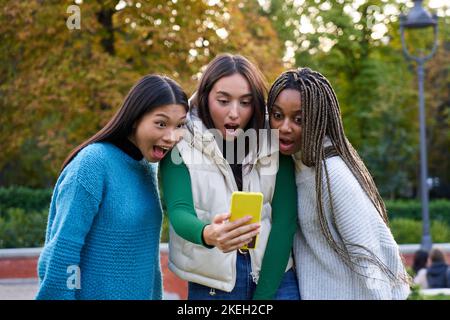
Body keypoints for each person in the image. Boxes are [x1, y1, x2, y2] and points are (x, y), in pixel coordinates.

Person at [259, 67, 410, 299]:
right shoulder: (297, 163)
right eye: (278, 116)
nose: (284, 127)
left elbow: (368, 253)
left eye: (299, 119)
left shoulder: (333, 174)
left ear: (319, 119)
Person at [36, 75, 188, 299]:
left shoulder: (147, 166)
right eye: (161, 124)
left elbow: (144, 260)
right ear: (136, 118)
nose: (171, 137)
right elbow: (62, 251)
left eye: (179, 126)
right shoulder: (93, 163)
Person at [160, 53, 300, 300]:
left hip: (275, 278)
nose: (234, 113)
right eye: (223, 101)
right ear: (205, 98)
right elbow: (180, 212)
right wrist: (208, 234)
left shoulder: (275, 141)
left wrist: (264, 296)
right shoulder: (179, 142)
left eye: (245, 102)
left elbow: (284, 221)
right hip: (212, 286)